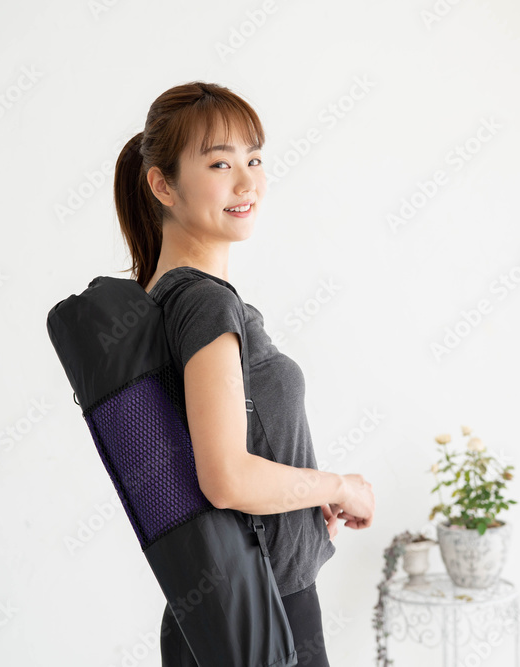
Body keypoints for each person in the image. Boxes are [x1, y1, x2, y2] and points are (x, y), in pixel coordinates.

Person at [112, 81, 376, 666]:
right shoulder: (205, 304)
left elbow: (221, 462)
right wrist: (339, 487)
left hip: (234, 609)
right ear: (162, 185)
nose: (247, 182)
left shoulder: (164, 298)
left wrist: (299, 514)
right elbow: (226, 479)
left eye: (254, 159)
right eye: (219, 164)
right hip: (262, 616)